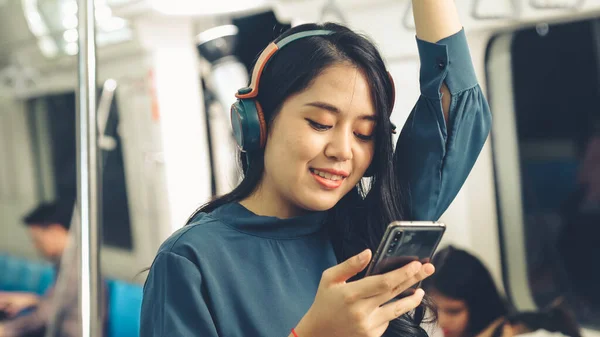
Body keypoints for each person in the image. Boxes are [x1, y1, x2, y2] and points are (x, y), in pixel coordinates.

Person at [140, 1, 492, 336]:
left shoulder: (374, 225)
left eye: (364, 133)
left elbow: (458, 109)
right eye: (320, 123)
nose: (343, 151)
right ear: (258, 122)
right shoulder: (192, 260)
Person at [0, 200, 107, 337]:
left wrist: (5, 330)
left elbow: (44, 317)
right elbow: (59, 304)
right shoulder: (72, 259)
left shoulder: (76, 268)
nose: (37, 246)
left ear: (55, 231)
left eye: (38, 240)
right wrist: (34, 300)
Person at [422, 246, 509, 337]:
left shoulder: (507, 331)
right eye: (434, 310)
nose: (442, 322)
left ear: (479, 307)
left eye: (454, 311)